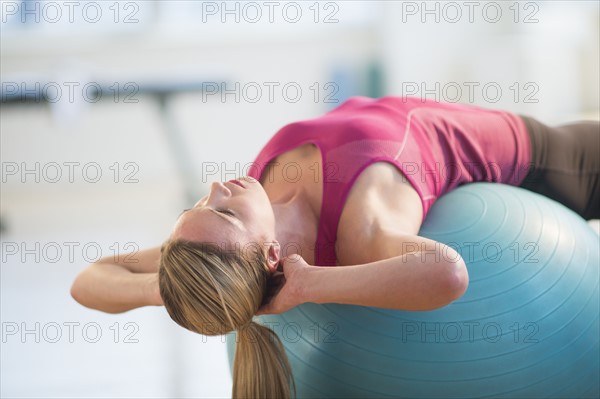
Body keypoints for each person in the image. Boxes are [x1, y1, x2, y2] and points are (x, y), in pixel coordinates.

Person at [71, 96, 599, 398]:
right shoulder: (363, 228)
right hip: (552, 167)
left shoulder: (215, 246)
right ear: (272, 257)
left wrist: (171, 291)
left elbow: (87, 280)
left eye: (198, 206)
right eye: (224, 211)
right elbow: (448, 274)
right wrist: (310, 285)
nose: (216, 190)